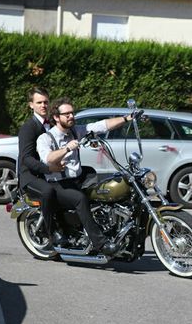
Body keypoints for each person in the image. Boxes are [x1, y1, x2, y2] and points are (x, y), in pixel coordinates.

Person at [36, 97, 132, 254]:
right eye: (66, 114)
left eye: (72, 113)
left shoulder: (76, 131)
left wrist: (127, 118)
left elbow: (102, 125)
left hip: (77, 179)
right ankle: (100, 244)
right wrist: (67, 149)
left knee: (105, 188)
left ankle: (109, 226)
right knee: (79, 199)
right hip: (58, 183)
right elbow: (48, 158)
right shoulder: (46, 138)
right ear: (56, 117)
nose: (71, 116)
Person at [17, 87, 64, 245]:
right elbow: (27, 159)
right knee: (48, 191)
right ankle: (50, 232)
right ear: (31, 105)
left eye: (46, 102)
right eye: (39, 102)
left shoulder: (52, 123)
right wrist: (48, 169)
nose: (43, 105)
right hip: (30, 176)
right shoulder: (28, 128)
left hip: (49, 173)